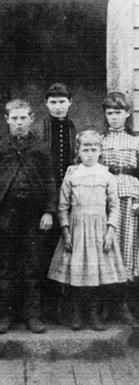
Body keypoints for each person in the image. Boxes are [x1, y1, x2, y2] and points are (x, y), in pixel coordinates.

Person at [48, 130, 126, 331]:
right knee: (76, 271)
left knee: (95, 272)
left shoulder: (107, 175)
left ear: (100, 151)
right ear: (78, 151)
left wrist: (110, 230)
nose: (90, 153)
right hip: (76, 228)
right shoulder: (73, 174)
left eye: (94, 149)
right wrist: (65, 231)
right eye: (86, 149)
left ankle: (93, 313)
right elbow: (63, 206)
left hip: (99, 229)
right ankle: (75, 313)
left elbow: (115, 206)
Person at [0, 99, 57, 333]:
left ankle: (33, 316)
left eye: (23, 118)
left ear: (31, 119)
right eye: (14, 118)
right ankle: (5, 316)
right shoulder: (2, 146)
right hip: (6, 216)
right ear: (6, 120)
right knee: (6, 266)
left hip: (34, 216)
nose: (19, 123)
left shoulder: (41, 147)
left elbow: (50, 181)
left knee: (33, 266)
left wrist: (49, 211)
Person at [100, 92, 139, 326]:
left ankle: (123, 305)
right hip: (106, 196)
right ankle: (105, 305)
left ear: (127, 114)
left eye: (118, 113)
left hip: (130, 196)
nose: (113, 117)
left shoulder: (136, 141)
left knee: (127, 247)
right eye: (109, 113)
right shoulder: (100, 140)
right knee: (107, 246)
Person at [42, 82, 76, 323]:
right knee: (45, 252)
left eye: (62, 102)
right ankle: (45, 309)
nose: (57, 107)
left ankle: (64, 309)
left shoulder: (72, 128)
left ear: (69, 103)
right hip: (46, 197)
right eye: (53, 102)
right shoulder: (41, 128)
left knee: (66, 252)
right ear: (46, 104)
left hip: (70, 198)